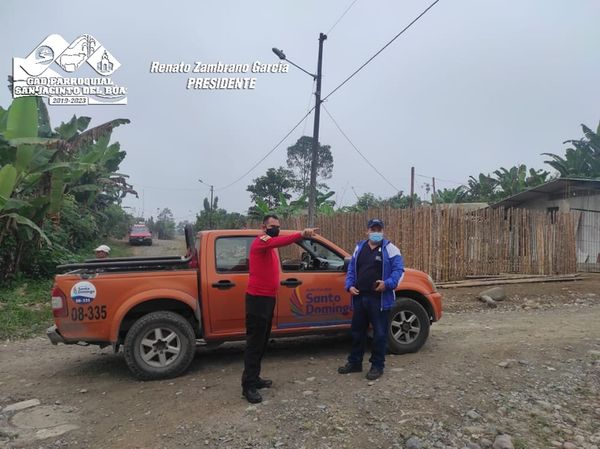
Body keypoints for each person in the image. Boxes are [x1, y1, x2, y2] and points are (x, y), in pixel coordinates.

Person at [242, 214, 318, 403]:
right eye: (272, 226)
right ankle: (248, 386)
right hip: (257, 300)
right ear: (264, 227)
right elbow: (282, 241)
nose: (276, 228)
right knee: (254, 344)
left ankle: (254, 378)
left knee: (262, 341)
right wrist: (301, 234)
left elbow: (279, 240)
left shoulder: (269, 244)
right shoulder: (262, 241)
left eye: (278, 226)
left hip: (267, 299)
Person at [338, 219, 404, 380]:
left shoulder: (391, 249)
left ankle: (377, 366)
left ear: (383, 231)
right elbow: (352, 269)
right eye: (373, 229)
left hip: (379, 300)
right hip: (359, 297)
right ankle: (355, 363)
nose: (376, 233)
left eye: (379, 230)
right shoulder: (359, 248)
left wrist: (387, 284)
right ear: (367, 231)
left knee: (379, 334)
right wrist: (349, 285)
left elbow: (398, 271)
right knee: (357, 332)